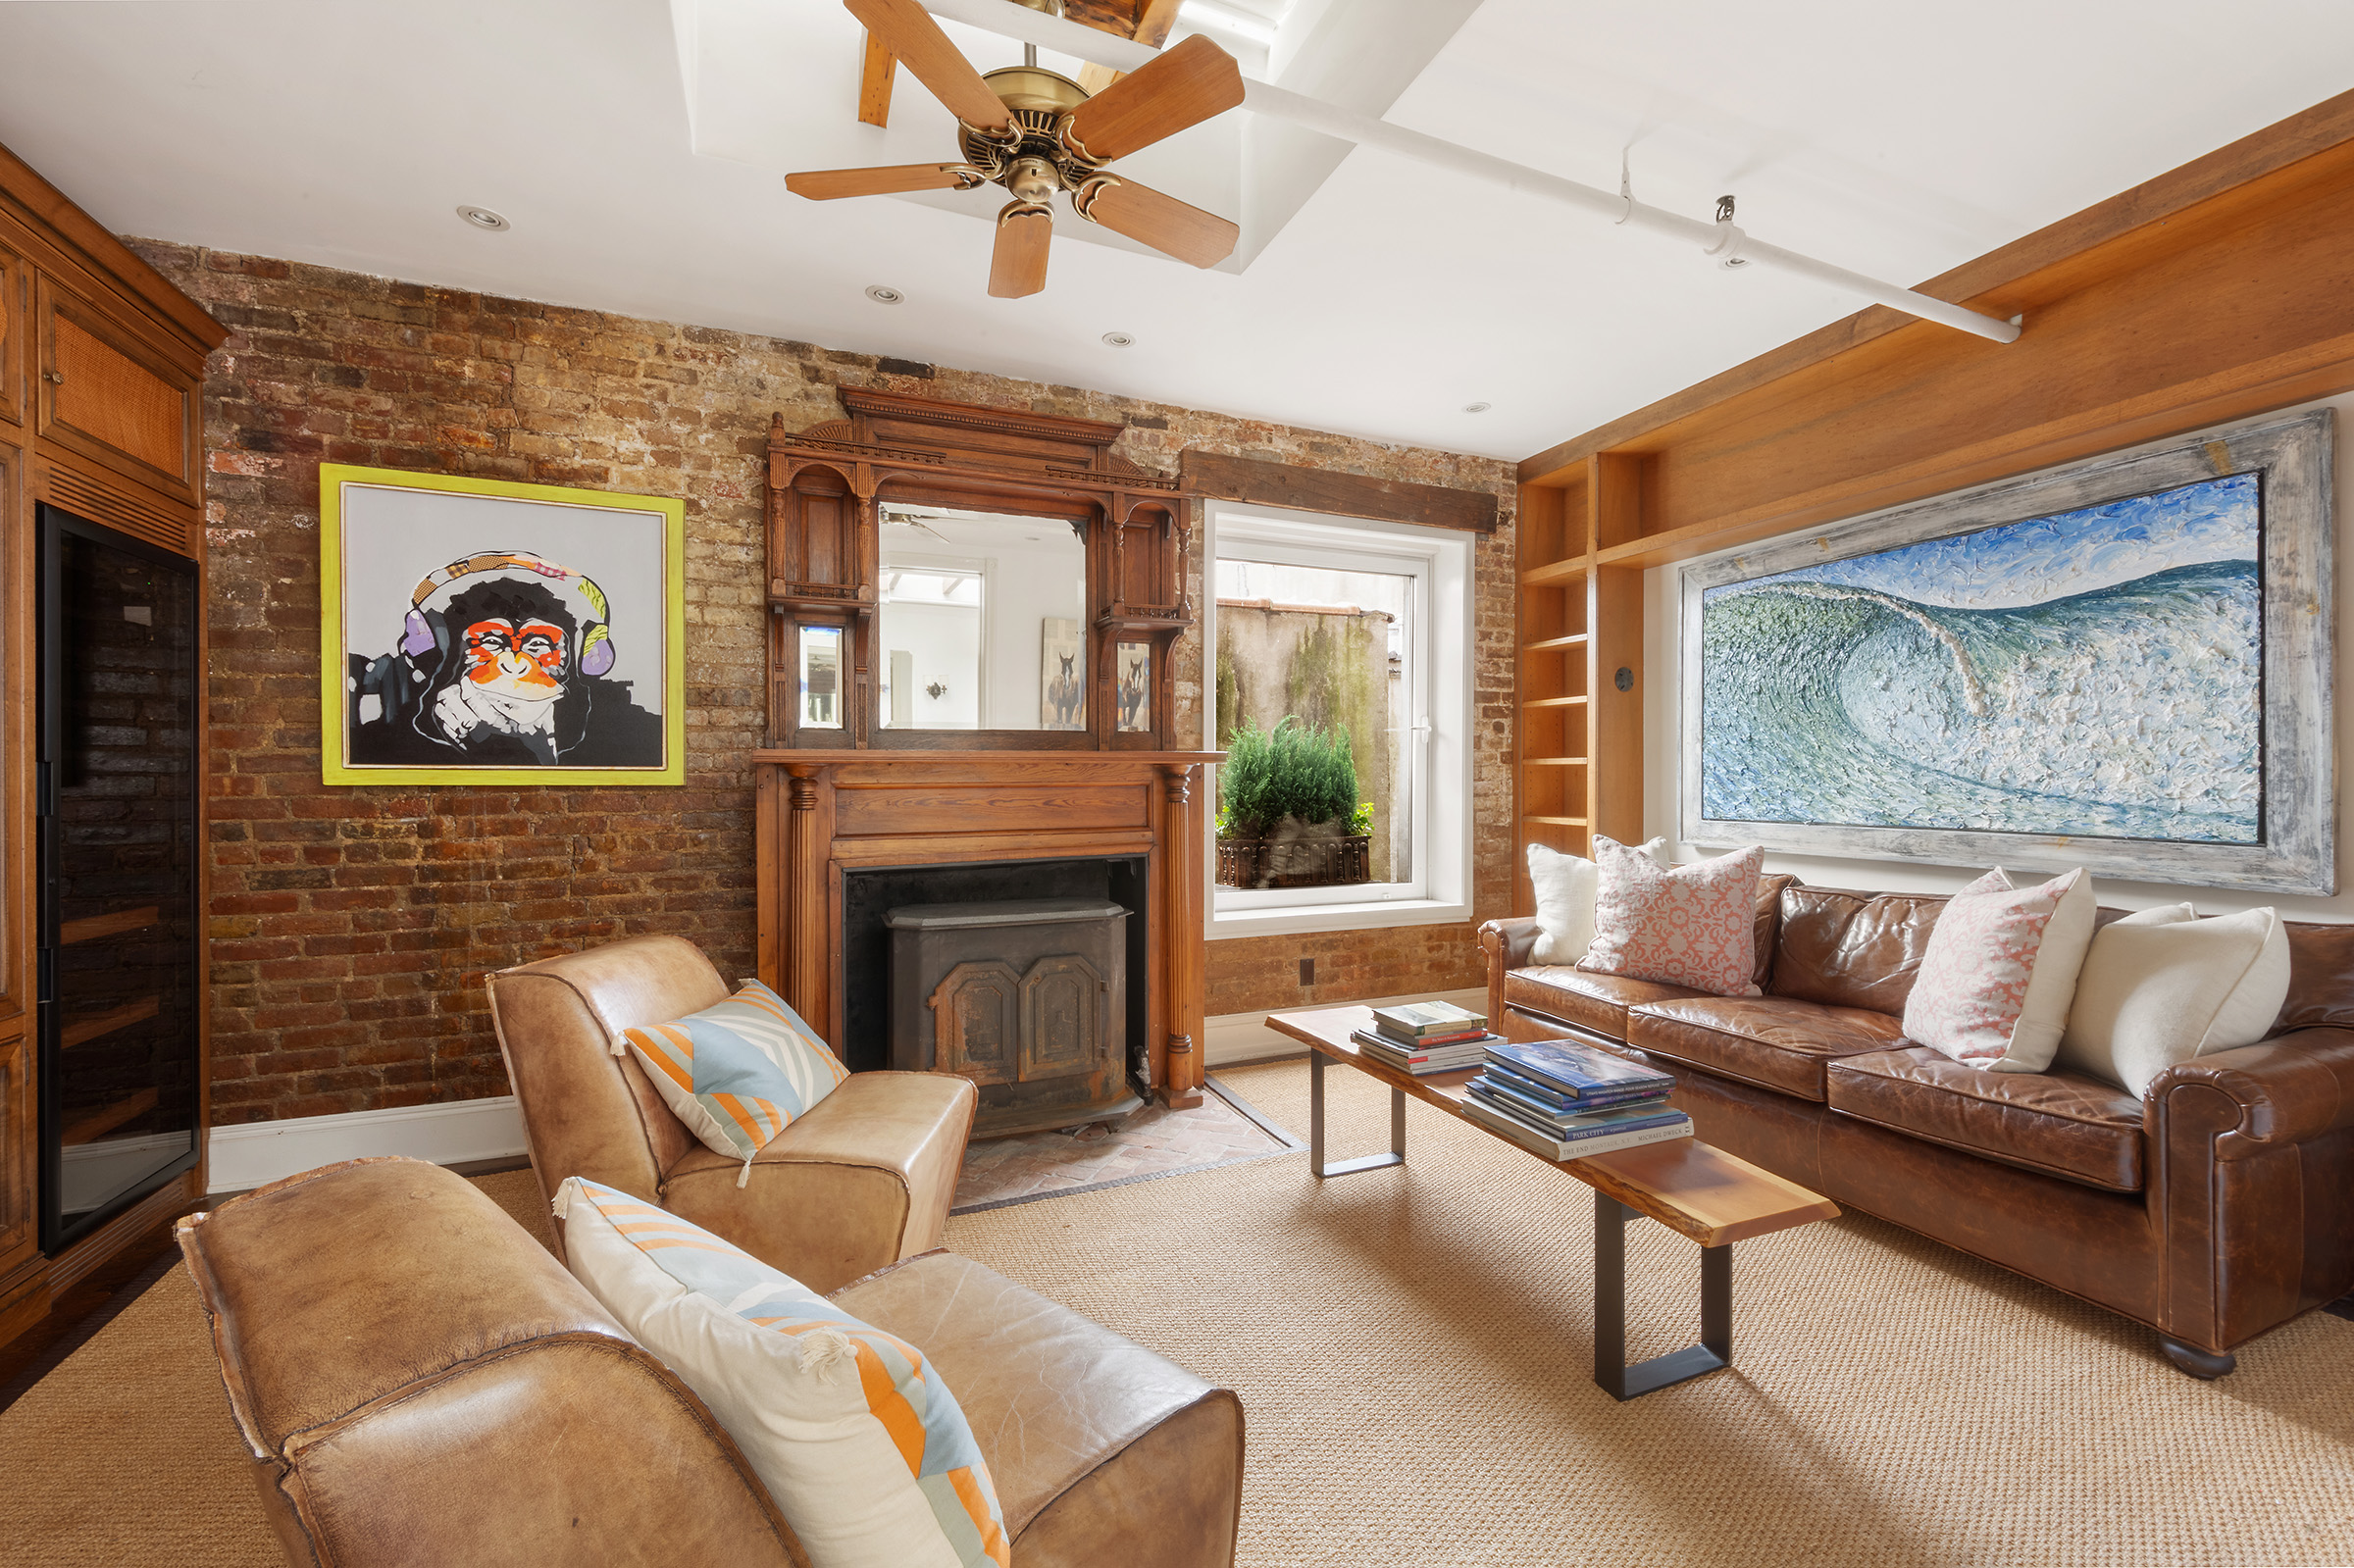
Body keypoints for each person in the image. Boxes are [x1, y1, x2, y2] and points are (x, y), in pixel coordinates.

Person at [347, 551, 662, 768]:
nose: (514, 663)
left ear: (590, 657)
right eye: (489, 641)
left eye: (538, 644)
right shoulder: (375, 748)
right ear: (433, 650)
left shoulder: (641, 738)